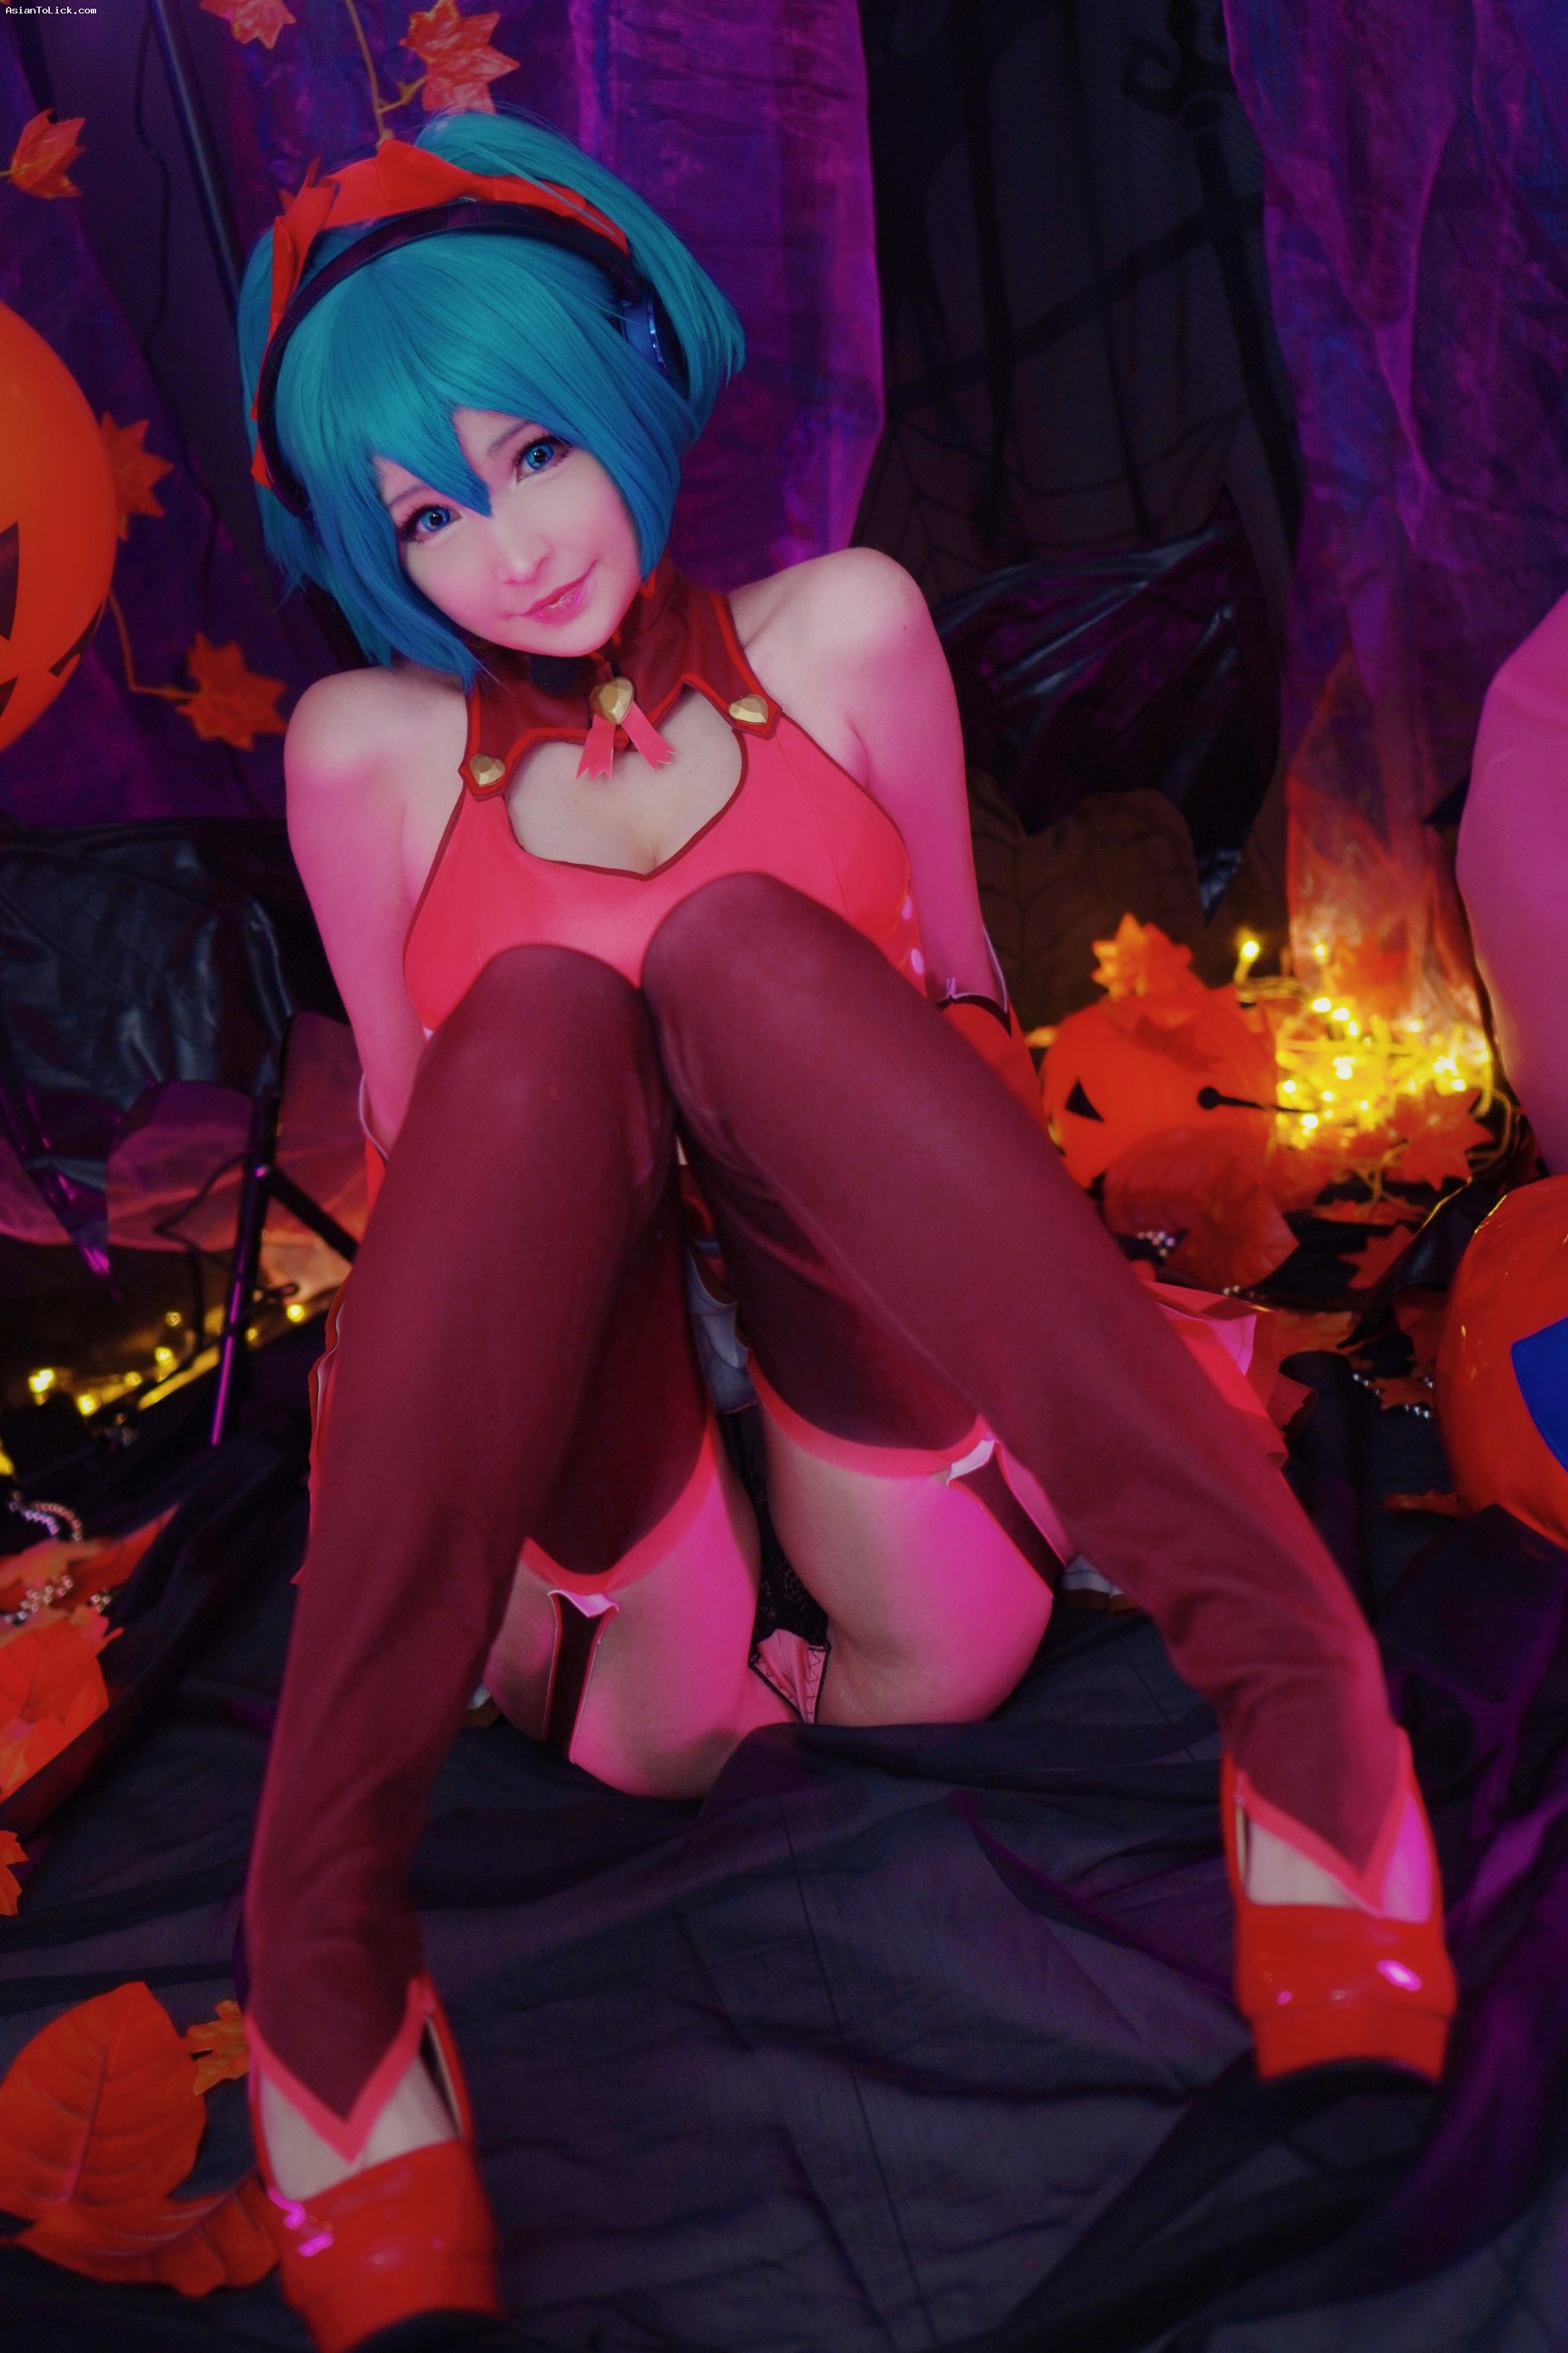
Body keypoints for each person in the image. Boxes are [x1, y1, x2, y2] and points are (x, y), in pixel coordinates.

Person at [237, 109, 1455, 2353]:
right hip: (626, 1603)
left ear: (630, 379)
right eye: (426, 513)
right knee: (534, 1025)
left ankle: (1296, 1682)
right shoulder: (368, 756)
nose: (507, 550)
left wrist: (755, 1051)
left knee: (748, 960)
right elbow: (433, 1186)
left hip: (907, 1485)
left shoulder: (844, 630)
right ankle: (316, 1935)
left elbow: (967, 1029)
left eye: (534, 451)